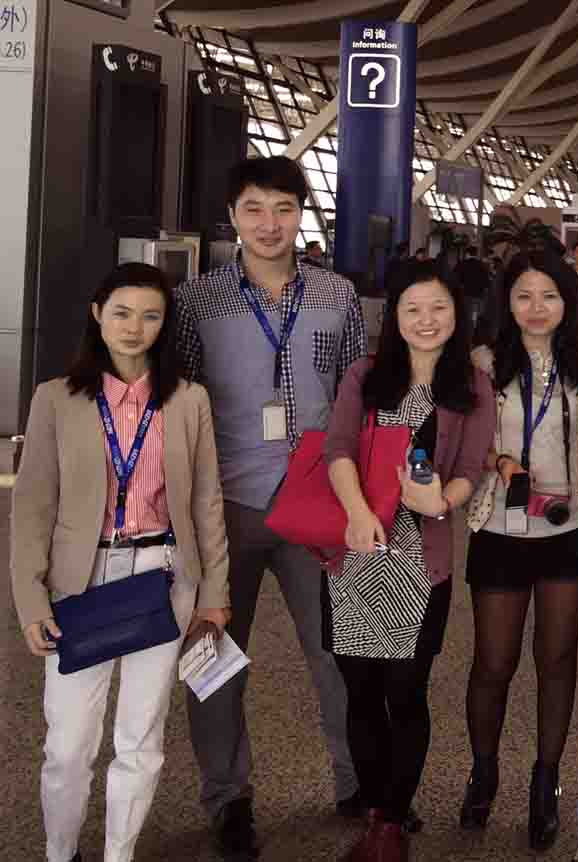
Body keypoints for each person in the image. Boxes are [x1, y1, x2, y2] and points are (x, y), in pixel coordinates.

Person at [175, 155, 367, 857]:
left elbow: (355, 392)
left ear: (301, 216)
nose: (269, 223)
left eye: (284, 208)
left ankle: (357, 782)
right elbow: (178, 399)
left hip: (317, 505)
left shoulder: (337, 295)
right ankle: (228, 800)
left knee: (339, 653)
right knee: (214, 656)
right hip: (223, 507)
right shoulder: (196, 301)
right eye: (254, 208)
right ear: (232, 216)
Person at [12, 263, 231, 862]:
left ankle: (118, 854)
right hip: (79, 583)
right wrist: (30, 599)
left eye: (150, 316)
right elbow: (32, 506)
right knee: (68, 744)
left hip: (163, 577)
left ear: (165, 324)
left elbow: (206, 502)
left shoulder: (188, 400)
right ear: (98, 315)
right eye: (122, 313)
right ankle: (61, 852)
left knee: (141, 738)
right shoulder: (56, 398)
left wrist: (214, 594)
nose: (135, 327)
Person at [323, 261, 495, 862]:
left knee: (406, 692)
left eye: (439, 308)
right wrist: (355, 511)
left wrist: (442, 502)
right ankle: (377, 813)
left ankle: (391, 826)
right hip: (357, 553)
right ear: (394, 316)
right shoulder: (365, 375)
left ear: (458, 314)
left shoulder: (472, 386)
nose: (426, 320)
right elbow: (337, 447)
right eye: (413, 309)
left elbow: (470, 469)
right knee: (361, 692)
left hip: (421, 560)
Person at [460, 249, 578, 850]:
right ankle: (484, 770)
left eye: (549, 295)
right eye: (524, 295)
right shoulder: (482, 364)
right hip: (498, 528)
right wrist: (497, 460)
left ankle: (545, 782)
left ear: (567, 302)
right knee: (493, 662)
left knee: (556, 660)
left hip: (566, 530)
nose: (536, 308)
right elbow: (461, 441)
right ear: (507, 302)